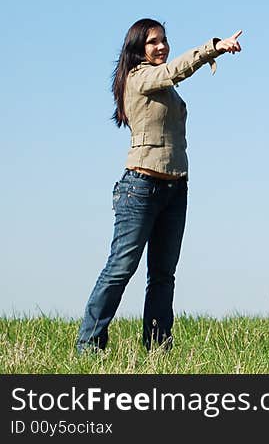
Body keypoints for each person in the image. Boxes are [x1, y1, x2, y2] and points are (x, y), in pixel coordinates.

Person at [75, 18, 243, 353]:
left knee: (164, 274)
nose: (162, 46)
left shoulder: (162, 85)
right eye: (153, 42)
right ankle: (89, 344)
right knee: (121, 268)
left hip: (175, 188)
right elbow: (173, 70)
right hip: (140, 187)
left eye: (164, 40)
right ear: (138, 49)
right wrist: (214, 48)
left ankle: (157, 349)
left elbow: (171, 79)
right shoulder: (140, 77)